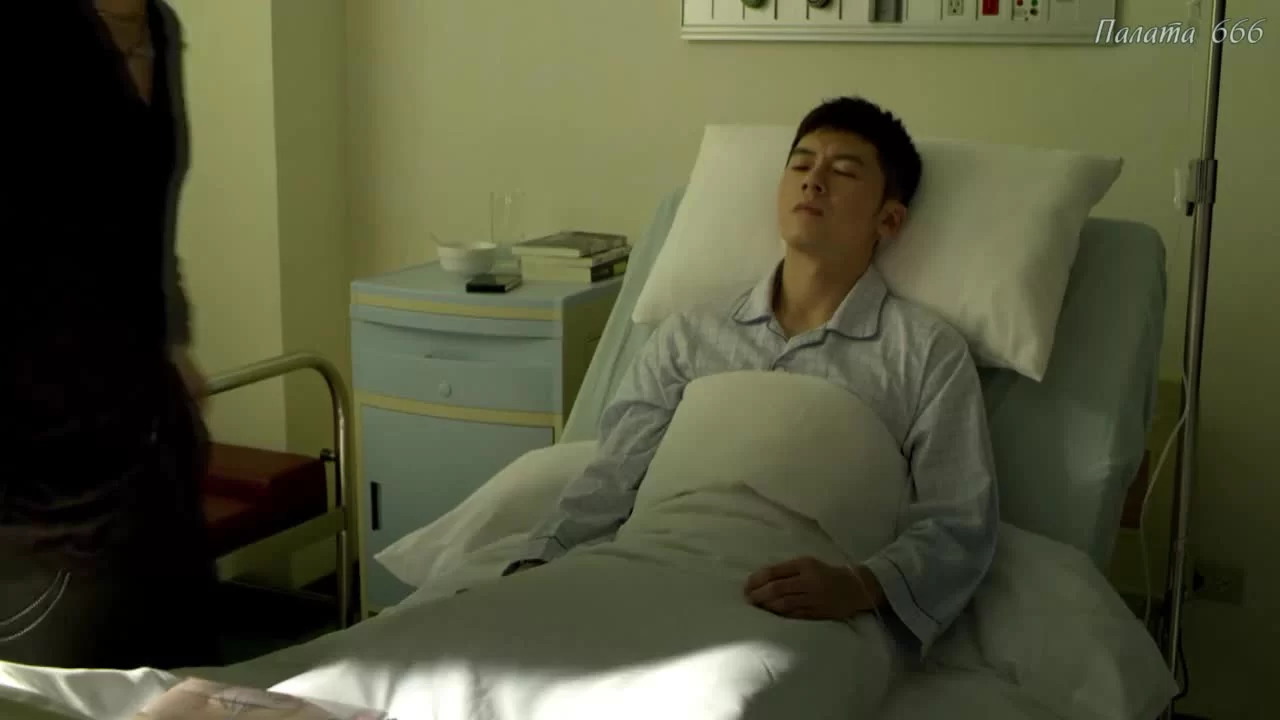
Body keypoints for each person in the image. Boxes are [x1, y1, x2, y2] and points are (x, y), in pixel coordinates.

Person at [503, 96, 999, 659]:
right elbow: (614, 474)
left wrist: (859, 585)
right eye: (801, 164)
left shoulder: (925, 354)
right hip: (647, 565)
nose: (813, 180)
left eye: (842, 171)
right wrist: (537, 564)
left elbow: (958, 519)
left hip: (794, 604)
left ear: (888, 220)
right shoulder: (690, 335)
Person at [1, 0, 219, 669]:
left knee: (185, 678)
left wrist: (173, 338)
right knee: (70, 686)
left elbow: (144, 213)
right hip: (41, 479)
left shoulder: (160, 28)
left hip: (148, 443)